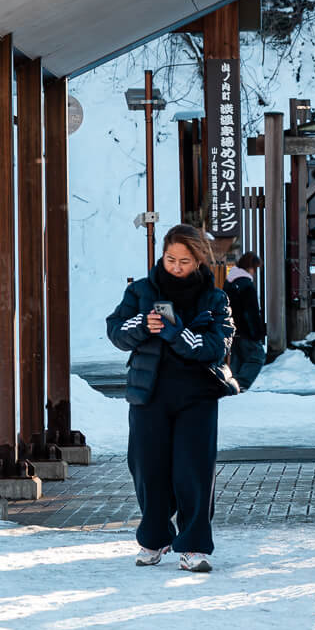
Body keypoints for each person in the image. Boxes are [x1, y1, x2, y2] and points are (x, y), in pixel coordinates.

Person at [106, 224, 239, 573]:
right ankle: (154, 538)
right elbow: (116, 332)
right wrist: (141, 326)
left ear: (198, 261)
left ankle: (193, 546)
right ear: (162, 256)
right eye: (170, 259)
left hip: (197, 397)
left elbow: (217, 347)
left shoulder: (215, 299)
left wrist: (178, 334)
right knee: (147, 469)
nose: (176, 267)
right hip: (149, 395)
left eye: (184, 261)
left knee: (193, 472)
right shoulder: (140, 291)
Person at [224, 251, 267, 390]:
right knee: (257, 357)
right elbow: (251, 312)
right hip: (246, 330)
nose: (255, 272)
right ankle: (240, 385)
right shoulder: (246, 285)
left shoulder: (230, 282)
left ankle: (232, 386)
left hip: (233, 328)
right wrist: (257, 333)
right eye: (255, 268)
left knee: (238, 359)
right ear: (250, 267)